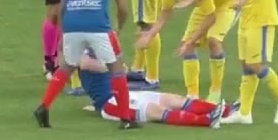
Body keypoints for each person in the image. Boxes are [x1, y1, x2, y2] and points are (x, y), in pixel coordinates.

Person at [34, 0, 139, 130]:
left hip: (72, 23)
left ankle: (44, 106)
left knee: (67, 66)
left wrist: (64, 32)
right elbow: (123, 7)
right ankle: (126, 118)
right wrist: (119, 26)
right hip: (98, 25)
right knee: (116, 68)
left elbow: (61, 6)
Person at [137, 0, 240, 102]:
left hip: (228, 2)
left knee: (213, 40)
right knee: (186, 46)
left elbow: (211, 17)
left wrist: (191, 41)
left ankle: (215, 91)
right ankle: (192, 96)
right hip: (204, 3)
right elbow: (165, 13)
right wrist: (150, 35)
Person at [76, 52, 231, 128]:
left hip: (126, 94)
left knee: (173, 99)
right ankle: (207, 120)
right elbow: (84, 63)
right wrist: (114, 67)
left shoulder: (100, 43)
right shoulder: (83, 48)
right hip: (111, 104)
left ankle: (227, 111)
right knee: (156, 111)